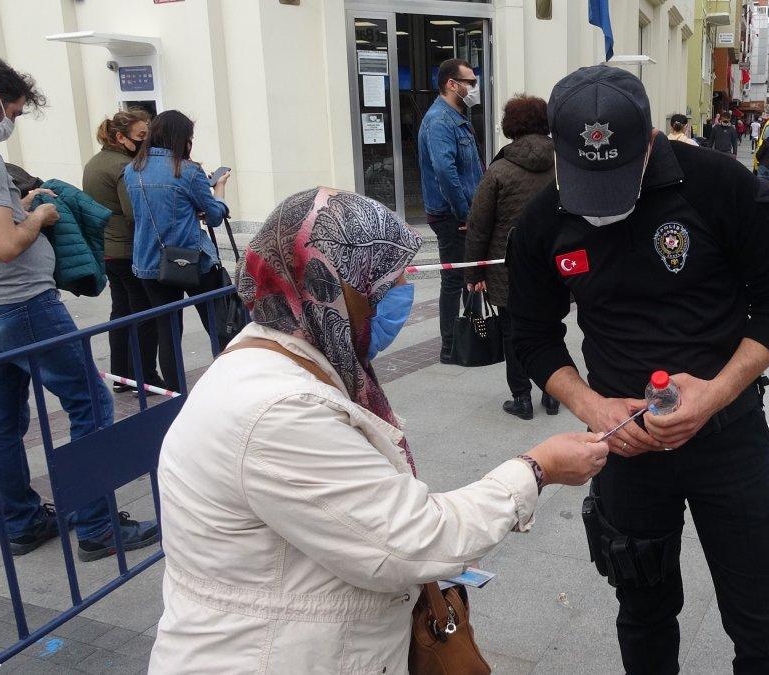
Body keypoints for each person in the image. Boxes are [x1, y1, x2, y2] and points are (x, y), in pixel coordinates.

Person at [147, 187, 609, 672]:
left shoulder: (281, 351)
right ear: (326, 285)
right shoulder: (280, 411)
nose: (393, 301)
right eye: (379, 285)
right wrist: (537, 469)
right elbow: (413, 541)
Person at [510, 65, 769, 674]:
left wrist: (718, 393)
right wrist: (595, 410)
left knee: (762, 618)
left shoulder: (722, 187)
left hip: (730, 438)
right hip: (627, 451)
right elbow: (533, 336)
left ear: (650, 139)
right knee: (642, 611)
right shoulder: (543, 221)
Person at [0, 57, 158, 562]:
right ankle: (98, 525)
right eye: (13, 113)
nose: (9, 124)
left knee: (1, 420)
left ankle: (21, 522)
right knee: (89, 402)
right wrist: (38, 214)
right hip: (23, 304)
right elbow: (4, 245)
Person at [464, 95, 560, 420]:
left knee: (512, 333)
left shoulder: (499, 170)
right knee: (550, 328)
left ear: (510, 126)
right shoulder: (562, 164)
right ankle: (553, 393)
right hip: (552, 266)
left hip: (506, 268)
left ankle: (521, 398)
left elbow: (479, 225)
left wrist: (474, 272)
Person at [124, 110, 230, 392]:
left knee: (168, 332)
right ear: (181, 138)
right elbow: (215, 216)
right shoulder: (189, 171)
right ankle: (230, 385)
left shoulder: (132, 169)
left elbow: (152, 211)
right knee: (219, 325)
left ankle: (176, 394)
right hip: (191, 261)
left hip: (149, 262)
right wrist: (218, 190)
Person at [83, 109, 161, 393]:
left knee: (121, 312)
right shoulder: (123, 167)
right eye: (142, 136)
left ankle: (122, 377)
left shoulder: (95, 163)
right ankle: (146, 377)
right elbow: (133, 212)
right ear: (120, 137)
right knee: (144, 315)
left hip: (108, 250)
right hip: (128, 251)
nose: (146, 140)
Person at [417, 58, 483, 365]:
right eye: (469, 82)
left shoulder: (456, 117)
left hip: (462, 211)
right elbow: (445, 171)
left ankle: (468, 336)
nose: (473, 87)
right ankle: (451, 345)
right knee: (454, 279)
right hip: (452, 215)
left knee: (466, 274)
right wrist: (464, 213)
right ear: (451, 84)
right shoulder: (441, 121)